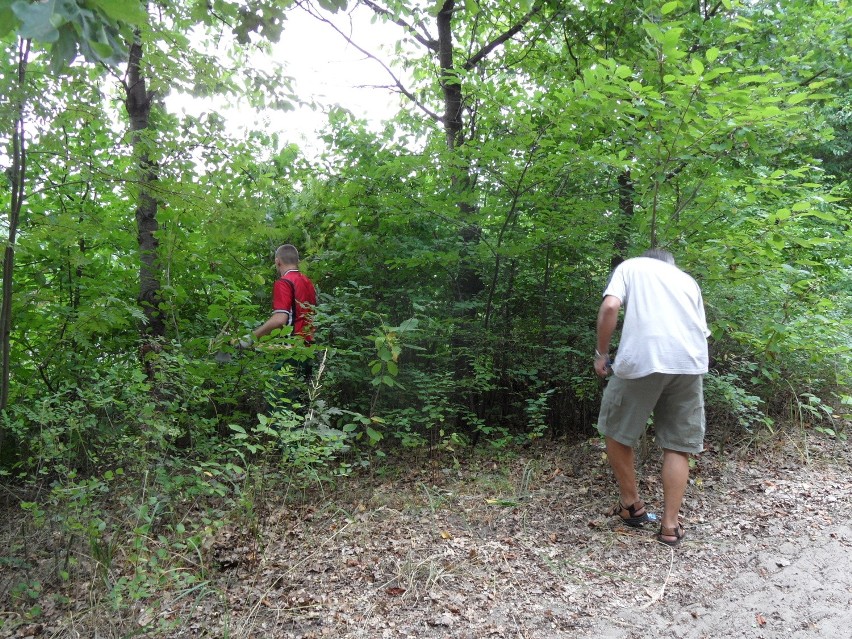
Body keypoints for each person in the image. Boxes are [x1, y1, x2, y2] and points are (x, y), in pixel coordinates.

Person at [594, 248, 710, 547]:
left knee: (615, 431)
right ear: (670, 263)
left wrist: (602, 354)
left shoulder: (632, 266)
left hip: (643, 358)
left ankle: (632, 505)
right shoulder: (687, 280)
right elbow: (700, 330)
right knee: (678, 445)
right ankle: (669, 527)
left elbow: (610, 307)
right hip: (689, 362)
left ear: (647, 259)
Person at [236, 244, 317, 405]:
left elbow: (280, 320)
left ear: (277, 261)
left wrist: (250, 339)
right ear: (298, 261)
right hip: (309, 350)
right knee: (300, 407)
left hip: (291, 352)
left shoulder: (284, 282)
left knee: (281, 406)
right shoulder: (307, 282)